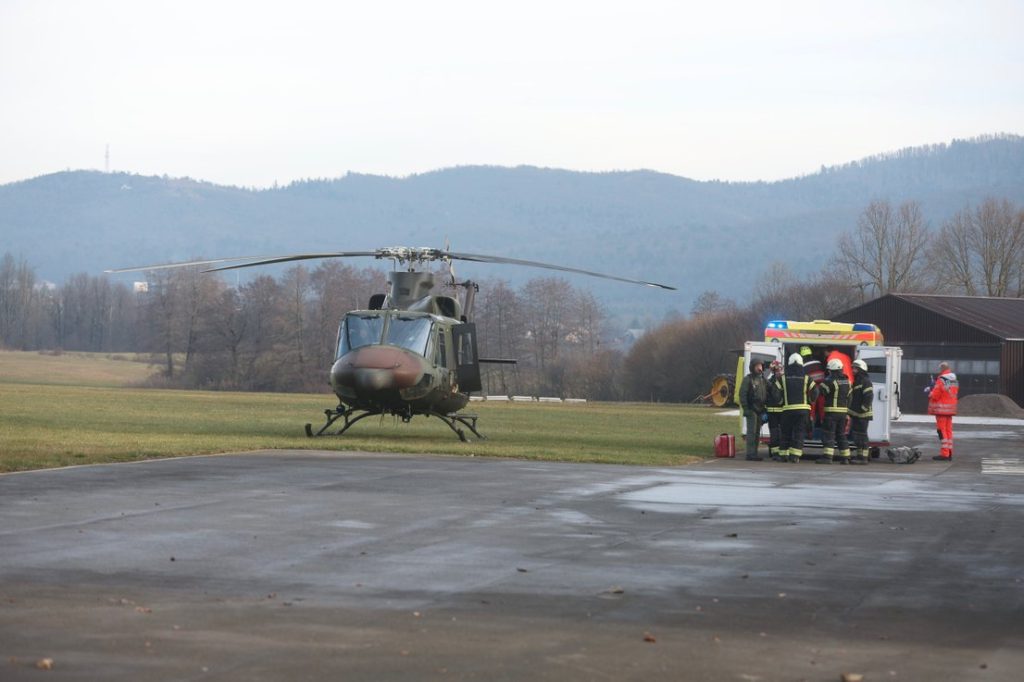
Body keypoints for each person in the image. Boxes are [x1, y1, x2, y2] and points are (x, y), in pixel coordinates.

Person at [779, 352, 818, 463]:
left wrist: (781, 401)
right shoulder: (807, 378)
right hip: (803, 411)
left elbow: (775, 391)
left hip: (787, 410)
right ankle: (795, 456)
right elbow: (815, 390)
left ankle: (783, 455)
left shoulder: (783, 378)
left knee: (786, 432)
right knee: (799, 433)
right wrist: (810, 401)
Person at [816, 358, 851, 464]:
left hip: (831, 413)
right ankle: (845, 458)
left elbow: (822, 392)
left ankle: (827, 458)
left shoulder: (829, 381)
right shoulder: (847, 381)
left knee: (829, 434)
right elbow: (850, 397)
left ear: (831, 370)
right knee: (841, 435)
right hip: (843, 413)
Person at [927, 361, 959, 461]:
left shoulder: (941, 379)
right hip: (950, 409)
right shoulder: (954, 379)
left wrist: (930, 393)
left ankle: (944, 453)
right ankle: (949, 452)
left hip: (941, 409)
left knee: (941, 430)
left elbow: (936, 394)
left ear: (942, 369)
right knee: (948, 431)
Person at [739, 358, 767, 461]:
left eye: (761, 366)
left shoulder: (762, 379)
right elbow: (742, 394)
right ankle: (750, 453)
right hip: (751, 409)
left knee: (757, 432)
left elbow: (769, 389)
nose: (759, 368)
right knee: (751, 432)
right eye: (757, 366)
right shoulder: (748, 379)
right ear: (753, 367)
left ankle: (754, 452)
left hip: (760, 409)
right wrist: (746, 408)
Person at [847, 358, 873, 465]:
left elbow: (869, 396)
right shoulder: (858, 380)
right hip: (857, 414)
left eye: (855, 368)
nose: (853, 370)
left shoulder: (865, 381)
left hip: (863, 414)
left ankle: (863, 458)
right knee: (857, 437)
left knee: (862, 436)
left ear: (861, 369)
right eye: (853, 368)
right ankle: (859, 455)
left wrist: (863, 408)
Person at [765, 360, 785, 461]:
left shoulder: (769, 381)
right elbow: (776, 397)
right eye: (778, 370)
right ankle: (776, 452)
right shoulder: (773, 382)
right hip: (777, 411)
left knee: (777, 432)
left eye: (780, 370)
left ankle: (777, 452)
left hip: (774, 411)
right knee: (776, 432)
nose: (780, 372)